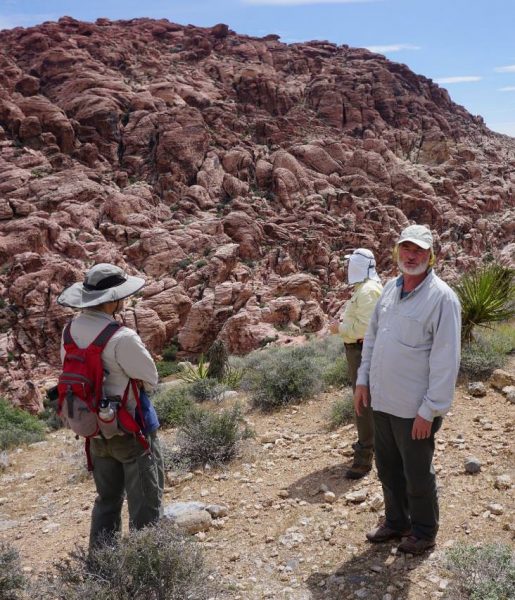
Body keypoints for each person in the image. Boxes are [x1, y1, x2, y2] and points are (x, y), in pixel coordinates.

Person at [354, 225, 461, 555]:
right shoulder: (389, 289)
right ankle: (397, 521)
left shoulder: (442, 298)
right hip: (382, 400)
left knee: (417, 472)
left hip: (415, 409)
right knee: (387, 467)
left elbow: (446, 360)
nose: (411, 255)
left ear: (431, 256)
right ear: (396, 251)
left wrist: (429, 410)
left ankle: (424, 531)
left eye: (419, 250)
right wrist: (362, 379)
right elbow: (372, 338)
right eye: (406, 249)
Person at [57, 263, 164, 549]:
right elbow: (150, 376)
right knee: (145, 503)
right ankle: (148, 566)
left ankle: (101, 569)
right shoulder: (121, 337)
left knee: (107, 501)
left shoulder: (69, 332)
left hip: (94, 430)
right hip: (131, 428)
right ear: (113, 299)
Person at [330, 248, 383, 479]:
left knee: (362, 403)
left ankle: (363, 459)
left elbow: (364, 328)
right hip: (359, 349)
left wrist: (338, 328)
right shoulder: (365, 289)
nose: (347, 267)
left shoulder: (369, 290)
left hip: (361, 351)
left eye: (351, 263)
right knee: (367, 401)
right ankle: (374, 449)